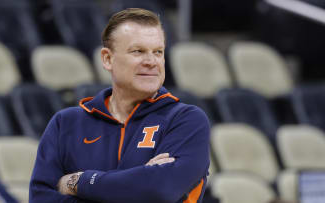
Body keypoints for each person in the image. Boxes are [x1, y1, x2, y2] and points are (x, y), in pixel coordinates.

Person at [29, 8, 210, 203]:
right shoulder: (65, 123)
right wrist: (138, 182)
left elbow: (159, 190)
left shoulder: (187, 120)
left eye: (158, 52)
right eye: (138, 51)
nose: (151, 61)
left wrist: (78, 181)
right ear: (107, 58)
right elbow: (41, 198)